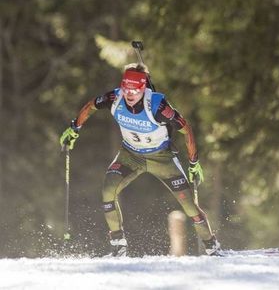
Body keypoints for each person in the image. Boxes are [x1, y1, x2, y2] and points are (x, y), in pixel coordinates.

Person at [59, 64, 221, 256]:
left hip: (162, 158)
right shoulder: (115, 98)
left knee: (189, 206)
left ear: (143, 88)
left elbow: (185, 128)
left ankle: (212, 245)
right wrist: (74, 128)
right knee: (108, 191)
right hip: (131, 155)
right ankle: (118, 245)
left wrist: (193, 162)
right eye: (127, 89)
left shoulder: (158, 106)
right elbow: (91, 105)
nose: (129, 94)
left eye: (135, 91)